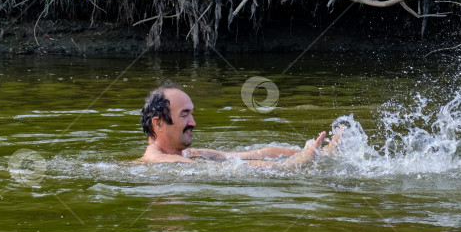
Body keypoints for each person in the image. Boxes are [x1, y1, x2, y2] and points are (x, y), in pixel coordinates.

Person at [137, 84, 341, 168]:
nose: (193, 122)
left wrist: (310, 152)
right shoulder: (166, 162)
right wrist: (293, 165)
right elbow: (240, 170)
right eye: (185, 114)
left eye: (192, 113)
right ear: (159, 123)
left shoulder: (185, 154)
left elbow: (248, 156)